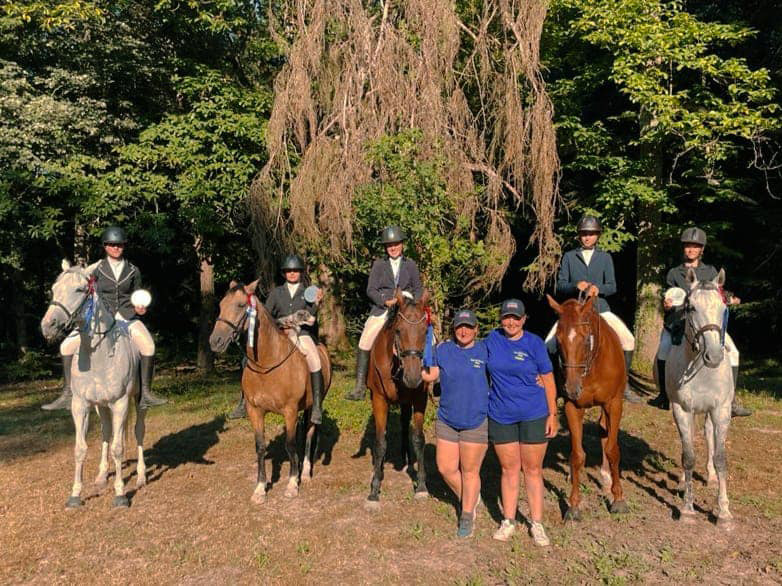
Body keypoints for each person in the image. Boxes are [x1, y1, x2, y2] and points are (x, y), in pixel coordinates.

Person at [42, 226, 166, 410]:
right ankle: (67, 393)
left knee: (149, 346)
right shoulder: (96, 269)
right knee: (65, 346)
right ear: (105, 246)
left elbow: (137, 294)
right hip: (100, 319)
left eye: (119, 244)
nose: (116, 247)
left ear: (124, 246)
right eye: (111, 244)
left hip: (127, 318)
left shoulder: (133, 270)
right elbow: (82, 289)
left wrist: (140, 308)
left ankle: (145, 393)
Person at [648, 227, 750, 416]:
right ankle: (663, 396)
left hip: (706, 323)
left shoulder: (710, 271)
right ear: (683, 248)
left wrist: (729, 298)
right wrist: (667, 304)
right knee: (663, 350)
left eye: (695, 246)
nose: (691, 249)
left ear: (701, 249)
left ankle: (731, 401)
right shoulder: (674, 273)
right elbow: (670, 294)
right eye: (688, 246)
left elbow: (718, 294)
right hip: (679, 323)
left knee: (734, 352)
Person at [544, 215, 640, 403]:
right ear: (579, 236)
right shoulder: (569, 256)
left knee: (628, 340)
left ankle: (624, 383)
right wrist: (575, 285)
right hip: (573, 312)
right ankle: (557, 384)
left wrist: (599, 289)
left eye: (591, 234)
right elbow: (560, 285)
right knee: (548, 343)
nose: (587, 237)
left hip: (600, 308)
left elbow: (612, 286)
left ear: (597, 236)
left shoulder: (605, 257)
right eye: (584, 234)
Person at [486, 299, 558, 546]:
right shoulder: (492, 340)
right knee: (509, 469)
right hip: (501, 415)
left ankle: (536, 523)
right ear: (501, 319)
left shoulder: (535, 343)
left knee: (533, 470)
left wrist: (552, 414)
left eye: (516, 318)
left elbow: (548, 379)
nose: (511, 322)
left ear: (524, 319)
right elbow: (470, 353)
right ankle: (508, 520)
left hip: (534, 414)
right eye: (507, 317)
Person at [229, 254, 325, 424]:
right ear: (284, 273)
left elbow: (311, 318)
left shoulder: (308, 293)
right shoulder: (276, 293)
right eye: (289, 271)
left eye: (295, 270)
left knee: (314, 359)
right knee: (247, 359)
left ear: (301, 272)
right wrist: (285, 321)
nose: (292, 273)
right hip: (279, 334)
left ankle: (316, 406)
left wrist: (317, 304)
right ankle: (243, 402)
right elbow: (267, 316)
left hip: (301, 333)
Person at [421, 309, 489, 538]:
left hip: (475, 420)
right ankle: (471, 497)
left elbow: (504, 370)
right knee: (446, 468)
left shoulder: (485, 350)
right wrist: (417, 361)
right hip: (448, 420)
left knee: (470, 471)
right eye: (460, 326)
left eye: (468, 327)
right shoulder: (443, 350)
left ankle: (467, 515)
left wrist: (536, 377)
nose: (464, 331)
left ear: (476, 330)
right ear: (454, 329)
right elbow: (431, 375)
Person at [345, 225, 423, 401]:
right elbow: (371, 289)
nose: (393, 248)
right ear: (386, 247)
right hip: (384, 309)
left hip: (406, 309)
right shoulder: (379, 265)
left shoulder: (410, 264)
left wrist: (411, 301)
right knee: (365, 338)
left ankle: (433, 378)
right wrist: (384, 300)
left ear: (402, 244)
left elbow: (418, 288)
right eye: (389, 245)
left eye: (396, 244)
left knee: (427, 336)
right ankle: (359, 386)